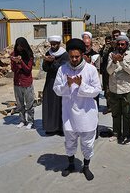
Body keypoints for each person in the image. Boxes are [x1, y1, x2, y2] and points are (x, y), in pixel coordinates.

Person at [53, 38, 101, 181]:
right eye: (71, 56)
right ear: (68, 54)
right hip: (69, 112)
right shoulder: (62, 69)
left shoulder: (90, 69)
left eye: (77, 56)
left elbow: (97, 91)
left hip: (86, 113)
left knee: (87, 142)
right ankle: (71, 164)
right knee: (70, 140)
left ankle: (86, 166)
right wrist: (67, 85)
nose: (74, 59)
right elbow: (56, 90)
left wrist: (82, 86)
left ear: (82, 55)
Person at [107, 35, 130, 144]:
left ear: (127, 45)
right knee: (115, 113)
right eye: (118, 44)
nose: (120, 46)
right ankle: (116, 133)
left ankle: (126, 135)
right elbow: (109, 71)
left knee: (126, 113)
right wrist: (114, 62)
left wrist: (121, 62)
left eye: (122, 44)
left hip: (126, 88)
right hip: (114, 88)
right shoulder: (112, 55)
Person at [42, 35, 69, 135]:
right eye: (51, 44)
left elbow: (61, 68)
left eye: (54, 44)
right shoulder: (48, 53)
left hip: (61, 82)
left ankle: (61, 128)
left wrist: (52, 62)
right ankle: (50, 127)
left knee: (60, 105)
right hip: (50, 82)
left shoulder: (64, 54)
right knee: (50, 104)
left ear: (59, 44)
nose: (52, 46)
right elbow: (44, 68)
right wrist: (47, 62)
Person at [11, 37, 35, 129]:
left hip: (27, 82)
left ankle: (31, 121)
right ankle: (22, 120)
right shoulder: (14, 54)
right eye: (18, 46)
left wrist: (21, 62)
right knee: (20, 104)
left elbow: (28, 70)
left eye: (21, 46)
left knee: (29, 103)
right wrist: (15, 62)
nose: (19, 48)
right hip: (17, 83)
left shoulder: (29, 55)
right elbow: (13, 69)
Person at [101, 30, 120, 115]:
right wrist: (111, 48)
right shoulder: (108, 46)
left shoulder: (122, 45)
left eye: (117, 36)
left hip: (119, 72)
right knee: (108, 90)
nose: (115, 37)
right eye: (114, 36)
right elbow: (104, 56)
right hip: (108, 71)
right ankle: (109, 107)